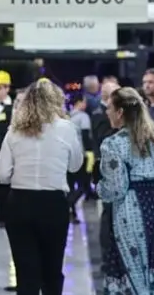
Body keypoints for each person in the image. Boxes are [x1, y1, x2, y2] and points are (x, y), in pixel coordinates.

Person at [0, 80, 84, 294]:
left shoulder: (15, 130)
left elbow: (2, 173)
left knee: (26, 273)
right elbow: (75, 165)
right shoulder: (67, 128)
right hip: (53, 204)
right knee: (52, 271)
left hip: (19, 204)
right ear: (56, 101)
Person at [98, 87, 154, 294]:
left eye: (109, 108)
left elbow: (116, 188)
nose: (107, 112)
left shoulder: (112, 144)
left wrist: (100, 189)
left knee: (133, 269)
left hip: (130, 209)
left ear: (120, 112)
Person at [66, 92, 94, 222]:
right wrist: (90, 151)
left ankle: (72, 213)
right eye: (84, 102)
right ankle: (68, 204)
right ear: (79, 102)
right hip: (81, 155)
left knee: (70, 185)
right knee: (84, 185)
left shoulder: (67, 117)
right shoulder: (83, 117)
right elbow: (85, 136)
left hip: (67, 156)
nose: (86, 104)